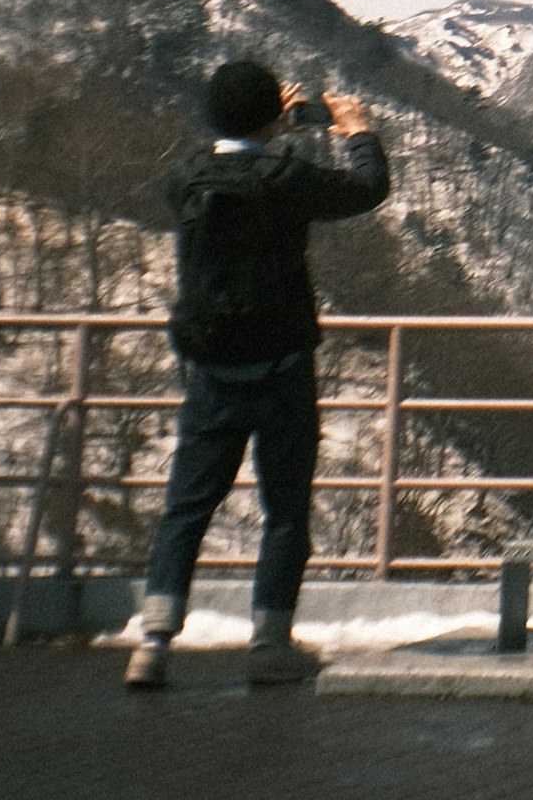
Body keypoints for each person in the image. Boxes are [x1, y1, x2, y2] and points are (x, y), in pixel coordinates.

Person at [124, 59, 389, 688]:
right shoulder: (287, 177)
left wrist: (268, 127)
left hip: (210, 369)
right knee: (285, 508)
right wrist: (357, 132)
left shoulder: (185, 177)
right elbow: (366, 189)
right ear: (273, 114)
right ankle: (270, 643)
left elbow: (235, 166)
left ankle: (154, 642)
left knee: (186, 508)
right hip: (282, 367)